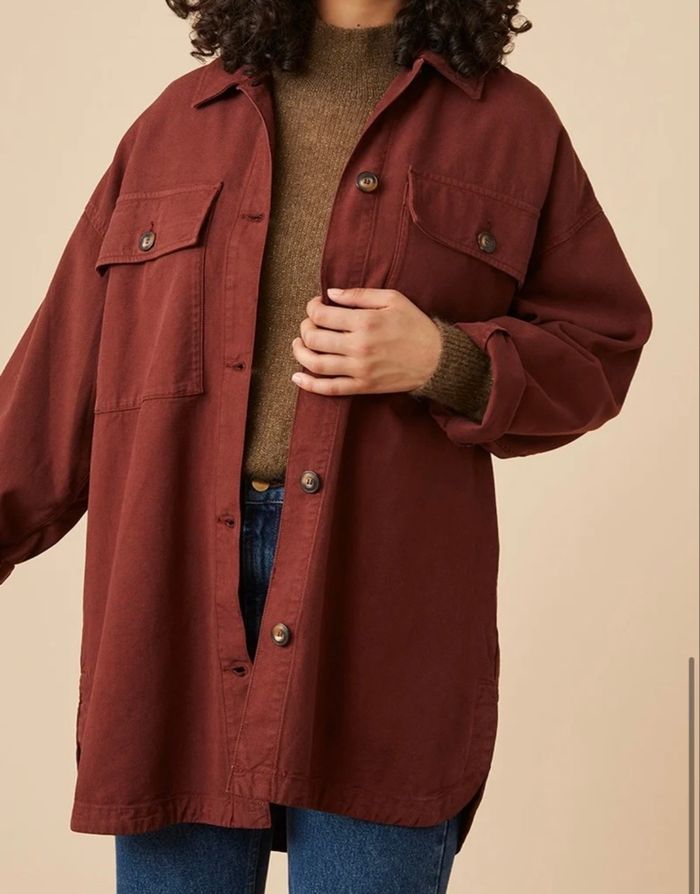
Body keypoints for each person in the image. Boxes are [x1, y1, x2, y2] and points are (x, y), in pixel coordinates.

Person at [0, 1, 653, 892]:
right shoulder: (175, 125)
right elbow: (57, 378)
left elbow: (601, 346)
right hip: (175, 595)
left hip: (381, 607)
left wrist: (447, 360)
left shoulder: (511, 127)